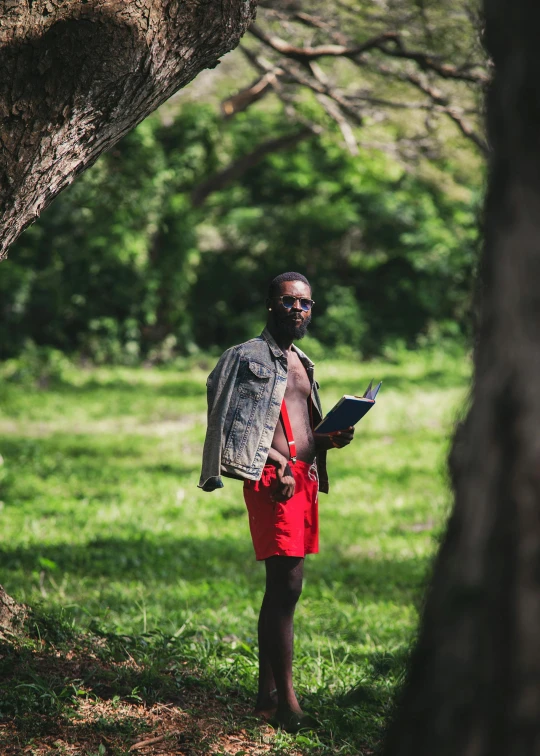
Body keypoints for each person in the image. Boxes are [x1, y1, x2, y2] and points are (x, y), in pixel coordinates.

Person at [198, 272, 354, 732]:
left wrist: (330, 439)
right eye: (288, 302)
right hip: (273, 480)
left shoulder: (303, 361)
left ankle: (267, 696)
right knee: (286, 586)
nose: (298, 310)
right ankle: (287, 701)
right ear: (270, 305)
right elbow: (224, 421)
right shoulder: (244, 358)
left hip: (302, 480)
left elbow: (303, 430)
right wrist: (277, 462)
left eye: (305, 303)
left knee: (286, 588)